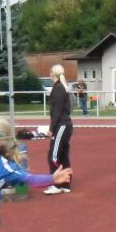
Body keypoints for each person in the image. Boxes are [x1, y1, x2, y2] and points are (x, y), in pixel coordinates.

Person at [43, 64, 73, 195]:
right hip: (64, 125)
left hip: (62, 125)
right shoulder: (59, 87)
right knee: (63, 155)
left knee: (53, 156)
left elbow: (57, 111)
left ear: (53, 73)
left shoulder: (59, 88)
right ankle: (65, 184)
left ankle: (56, 184)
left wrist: (51, 129)